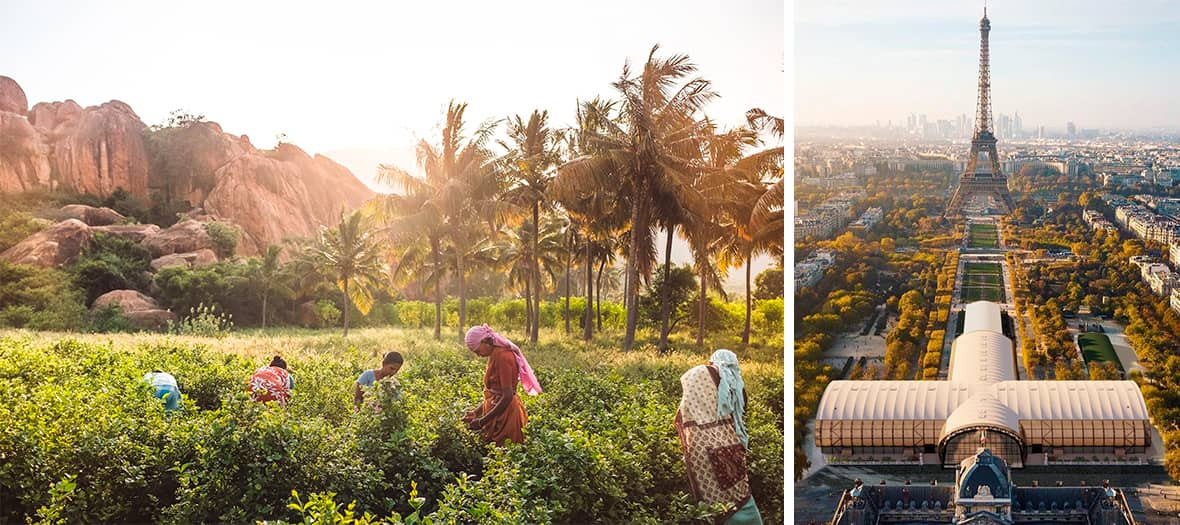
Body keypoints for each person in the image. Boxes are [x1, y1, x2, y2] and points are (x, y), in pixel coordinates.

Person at [675, 349, 762, 525]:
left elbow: (682, 413)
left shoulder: (697, 373)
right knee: (740, 494)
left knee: (713, 498)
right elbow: (741, 415)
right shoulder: (735, 382)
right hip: (730, 446)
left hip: (700, 447)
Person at [461, 324, 541, 446]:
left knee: (505, 454)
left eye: (477, 351)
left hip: (506, 417)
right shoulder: (495, 354)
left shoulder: (503, 356)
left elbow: (507, 396)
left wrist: (482, 421)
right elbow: (496, 392)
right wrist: (477, 412)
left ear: (485, 342)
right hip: (498, 412)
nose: (478, 355)